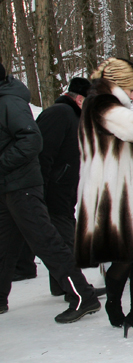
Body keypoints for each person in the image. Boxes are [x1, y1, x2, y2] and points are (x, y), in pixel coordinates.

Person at [0, 64, 99, 320]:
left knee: (47, 241)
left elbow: (33, 141)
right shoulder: (54, 112)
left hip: (24, 185)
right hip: (11, 185)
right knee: (5, 245)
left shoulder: (10, 102)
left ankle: (82, 295)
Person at [76, 58, 133, 336]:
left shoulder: (95, 105)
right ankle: (124, 311)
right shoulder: (105, 106)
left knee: (132, 255)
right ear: (118, 85)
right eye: (131, 89)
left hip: (116, 191)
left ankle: (130, 314)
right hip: (121, 195)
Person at [34, 77, 92, 298]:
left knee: (64, 237)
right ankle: (75, 289)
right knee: (65, 240)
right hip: (53, 190)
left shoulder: (73, 115)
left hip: (65, 189)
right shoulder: (59, 114)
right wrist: (43, 189)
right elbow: (43, 154)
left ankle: (62, 285)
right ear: (79, 100)